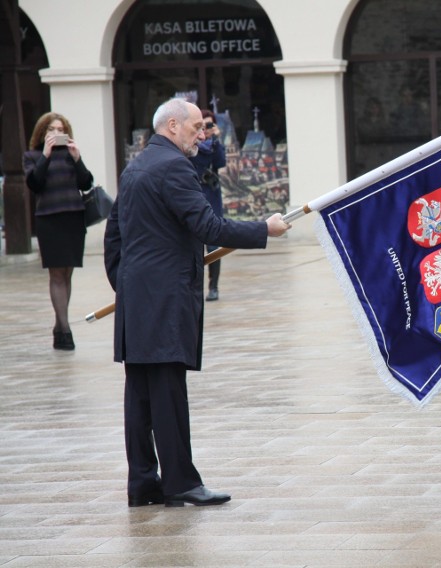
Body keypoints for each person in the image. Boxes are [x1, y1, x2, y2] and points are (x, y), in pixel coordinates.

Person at [104, 98, 291, 508]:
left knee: (140, 396)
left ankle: (143, 483)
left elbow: (113, 236)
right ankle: (180, 483)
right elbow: (208, 225)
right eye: (195, 128)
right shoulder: (173, 166)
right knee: (166, 392)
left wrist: (126, 283)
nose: (202, 135)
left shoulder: (136, 166)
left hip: (139, 297)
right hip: (164, 298)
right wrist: (265, 228)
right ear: (172, 125)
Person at [23, 112, 94, 351]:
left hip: (73, 218)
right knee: (56, 275)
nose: (56, 133)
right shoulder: (32, 156)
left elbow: (86, 183)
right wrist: (45, 156)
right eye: (51, 130)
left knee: (67, 275)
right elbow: (34, 184)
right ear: (42, 133)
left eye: (60, 129)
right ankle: (65, 331)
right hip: (49, 220)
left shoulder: (70, 155)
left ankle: (58, 325)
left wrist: (78, 158)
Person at [190, 109, 227, 301]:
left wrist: (217, 140)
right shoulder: (193, 144)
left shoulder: (214, 145)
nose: (207, 129)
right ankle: (194, 286)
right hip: (196, 193)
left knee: (214, 244)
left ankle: (214, 287)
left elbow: (221, 163)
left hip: (212, 194)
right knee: (194, 242)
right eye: (204, 126)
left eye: (210, 125)